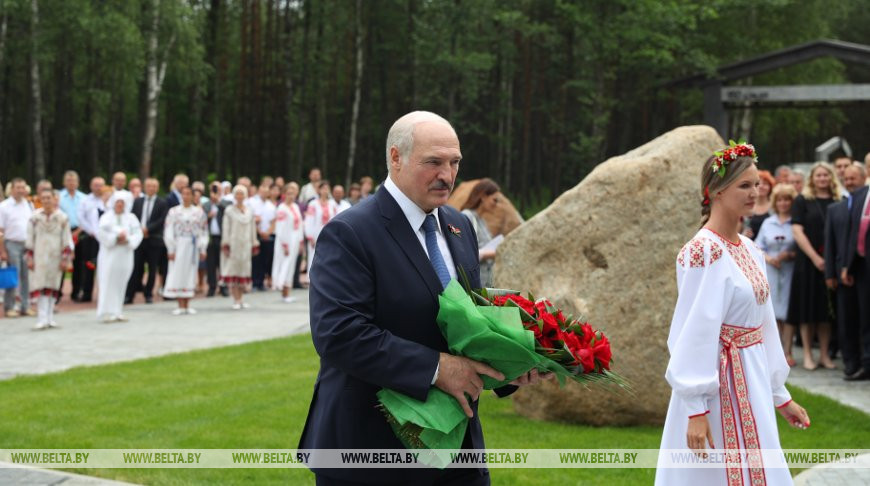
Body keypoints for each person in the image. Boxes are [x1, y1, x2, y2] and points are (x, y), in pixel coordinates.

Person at [298, 111, 547, 486]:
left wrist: (513, 365)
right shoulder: (350, 232)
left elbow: (467, 327)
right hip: (371, 453)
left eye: (454, 162)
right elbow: (339, 334)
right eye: (434, 162)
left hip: (457, 453)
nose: (447, 175)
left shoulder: (458, 226)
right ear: (395, 158)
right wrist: (437, 368)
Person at [656, 143, 809, 486]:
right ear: (715, 192)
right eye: (745, 185)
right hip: (716, 388)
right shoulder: (703, 251)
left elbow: (764, 326)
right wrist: (696, 409)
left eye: (757, 184)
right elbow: (693, 331)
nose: (755, 192)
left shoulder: (751, 249)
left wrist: (780, 396)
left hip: (751, 380)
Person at [787, 162, 841, 370]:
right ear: (812, 178)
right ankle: (808, 354)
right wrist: (815, 258)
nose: (822, 179)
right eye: (818, 176)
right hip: (808, 263)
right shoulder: (803, 200)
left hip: (832, 263)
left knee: (826, 314)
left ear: (831, 178)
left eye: (825, 175)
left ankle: (825, 355)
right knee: (807, 311)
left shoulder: (839, 200)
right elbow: (797, 231)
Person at [826, 164, 866, 378]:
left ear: (863, 177)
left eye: (854, 178)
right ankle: (850, 363)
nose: (849, 182)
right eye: (847, 179)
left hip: (862, 271)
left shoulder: (866, 205)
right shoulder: (835, 209)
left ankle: (864, 362)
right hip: (841, 273)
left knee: (864, 320)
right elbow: (830, 243)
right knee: (846, 320)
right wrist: (830, 273)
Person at [757, 183, 798, 366]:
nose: (783, 203)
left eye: (787, 199)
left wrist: (789, 255)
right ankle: (778, 350)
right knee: (774, 311)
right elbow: (758, 246)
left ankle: (788, 350)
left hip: (790, 270)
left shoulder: (796, 222)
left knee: (789, 309)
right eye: (780, 199)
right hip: (772, 270)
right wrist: (769, 259)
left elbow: (800, 247)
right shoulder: (768, 222)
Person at [26, 189, 72, 329]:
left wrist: (65, 258)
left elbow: (66, 240)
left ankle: (50, 317)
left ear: (54, 199)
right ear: (40, 199)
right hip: (39, 256)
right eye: (44, 198)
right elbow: (29, 239)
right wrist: (29, 257)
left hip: (55, 256)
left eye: (49, 198)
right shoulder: (34, 218)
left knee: (53, 286)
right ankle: (41, 317)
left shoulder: (62, 218)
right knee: (40, 286)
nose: (46, 201)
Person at [842, 163, 870, 381]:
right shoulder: (860, 197)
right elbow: (855, 232)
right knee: (865, 318)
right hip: (863, 269)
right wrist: (848, 266)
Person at [96, 194, 142, 323]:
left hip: (125, 254)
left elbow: (138, 233)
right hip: (110, 255)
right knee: (107, 280)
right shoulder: (106, 218)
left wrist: (127, 239)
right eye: (117, 202)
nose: (120, 205)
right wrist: (115, 238)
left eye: (122, 202)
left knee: (121, 281)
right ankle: (105, 311)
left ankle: (117, 311)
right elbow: (101, 233)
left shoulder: (131, 218)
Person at [163, 186, 208, 315]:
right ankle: (180, 305)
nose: (186, 196)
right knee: (177, 272)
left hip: (192, 246)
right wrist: (171, 249)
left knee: (190, 273)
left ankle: (187, 304)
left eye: (189, 194)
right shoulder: (174, 212)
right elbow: (168, 231)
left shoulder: (199, 212)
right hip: (178, 245)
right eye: (184, 194)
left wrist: (202, 248)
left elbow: (203, 232)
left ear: (193, 196)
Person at [126, 178, 168, 304]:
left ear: (157, 187)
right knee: (136, 267)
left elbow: (161, 220)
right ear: (145, 187)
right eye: (149, 186)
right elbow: (132, 217)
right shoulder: (138, 201)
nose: (151, 188)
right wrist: (138, 231)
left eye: (154, 186)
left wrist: (147, 229)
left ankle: (148, 294)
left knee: (152, 268)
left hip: (154, 240)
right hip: (138, 240)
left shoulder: (162, 202)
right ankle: (130, 294)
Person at [0, 178, 35, 317]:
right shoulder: (4, 206)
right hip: (11, 243)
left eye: (23, 187)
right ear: (11, 189)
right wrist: (2, 250)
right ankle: (9, 307)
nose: (21, 190)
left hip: (26, 244)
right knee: (13, 276)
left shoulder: (28, 204)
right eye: (18, 187)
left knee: (26, 276)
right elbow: (0, 230)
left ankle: (25, 306)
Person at [220, 185, 259, 310]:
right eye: (237, 194)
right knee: (234, 271)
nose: (239, 196)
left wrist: (254, 242)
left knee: (244, 271)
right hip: (233, 244)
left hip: (246, 245)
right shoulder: (229, 211)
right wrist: (226, 243)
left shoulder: (249, 211)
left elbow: (253, 228)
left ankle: (241, 299)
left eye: (242, 194)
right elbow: (226, 228)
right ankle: (235, 299)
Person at [460, 178, 501, 288]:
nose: (496, 205)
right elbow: (462, 254)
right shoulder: (467, 217)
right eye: (495, 200)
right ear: (483, 197)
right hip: (473, 286)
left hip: (484, 284)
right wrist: (491, 254)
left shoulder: (481, 220)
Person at [272, 182, 304, 303]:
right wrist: (284, 244)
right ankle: (282, 290)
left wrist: (300, 241)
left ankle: (287, 291)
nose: (291, 196)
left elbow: (300, 225)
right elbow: (279, 228)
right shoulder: (281, 208)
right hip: (284, 241)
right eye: (288, 193)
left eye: (293, 193)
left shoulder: (295, 207)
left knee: (291, 265)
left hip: (295, 239)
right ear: (284, 195)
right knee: (284, 264)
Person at [75, 177, 106, 302]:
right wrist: (92, 231)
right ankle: (86, 293)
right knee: (88, 266)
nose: (98, 188)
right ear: (91, 186)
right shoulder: (85, 200)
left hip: (105, 239)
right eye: (96, 185)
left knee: (104, 265)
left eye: (100, 185)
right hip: (90, 237)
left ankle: (104, 294)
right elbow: (81, 218)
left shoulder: (108, 200)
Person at [303, 181, 337, 273]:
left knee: (328, 255)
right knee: (313, 255)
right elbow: (309, 220)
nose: (325, 191)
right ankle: (311, 277)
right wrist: (309, 236)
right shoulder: (313, 203)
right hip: (315, 233)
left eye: (327, 188)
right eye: (323, 188)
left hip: (329, 233)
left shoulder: (332, 204)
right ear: (319, 190)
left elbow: (335, 219)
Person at [205, 181, 230, 297]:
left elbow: (228, 213)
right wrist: (207, 216)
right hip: (210, 238)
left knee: (223, 263)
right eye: (214, 189)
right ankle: (212, 286)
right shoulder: (206, 205)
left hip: (222, 237)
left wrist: (218, 202)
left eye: (218, 189)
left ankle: (223, 286)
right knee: (210, 264)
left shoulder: (226, 203)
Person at [742, 169, 774, 239]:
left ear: (770, 187)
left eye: (765, 184)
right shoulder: (746, 206)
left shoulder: (775, 207)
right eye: (758, 184)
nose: (762, 186)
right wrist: (743, 235)